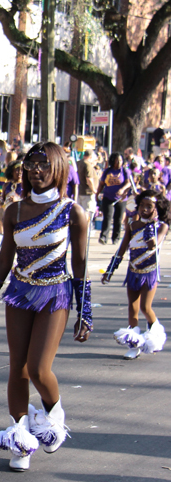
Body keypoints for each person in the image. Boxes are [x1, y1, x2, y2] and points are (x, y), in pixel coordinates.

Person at [0, 141, 92, 472]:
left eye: (44, 165)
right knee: (17, 368)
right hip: (19, 293)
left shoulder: (72, 212)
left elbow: (80, 264)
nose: (36, 170)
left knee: (38, 368)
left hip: (55, 294)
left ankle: (54, 414)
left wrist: (84, 313)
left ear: (59, 169)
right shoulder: (15, 211)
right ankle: (20, 440)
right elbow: (3, 260)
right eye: (31, 164)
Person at [102, 189, 169, 359]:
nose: (144, 209)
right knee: (133, 309)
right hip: (133, 272)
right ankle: (134, 345)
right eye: (141, 205)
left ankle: (155, 332)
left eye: (149, 206)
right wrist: (110, 270)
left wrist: (150, 225)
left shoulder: (161, 226)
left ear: (156, 208)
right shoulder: (132, 225)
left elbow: (153, 244)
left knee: (146, 308)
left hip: (150, 272)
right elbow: (122, 249)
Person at [96, 152, 131, 245]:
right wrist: (97, 193)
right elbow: (102, 184)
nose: (119, 162)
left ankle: (116, 237)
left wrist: (122, 189)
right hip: (108, 197)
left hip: (120, 199)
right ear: (113, 161)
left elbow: (128, 183)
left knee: (118, 219)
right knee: (107, 217)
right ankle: (103, 236)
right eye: (117, 160)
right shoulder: (107, 171)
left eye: (121, 160)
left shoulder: (124, 171)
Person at [76, 150, 98, 215]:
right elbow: (89, 180)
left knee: (80, 214)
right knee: (87, 213)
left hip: (79, 192)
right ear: (90, 157)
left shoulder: (78, 163)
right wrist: (94, 190)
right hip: (87, 193)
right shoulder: (88, 165)